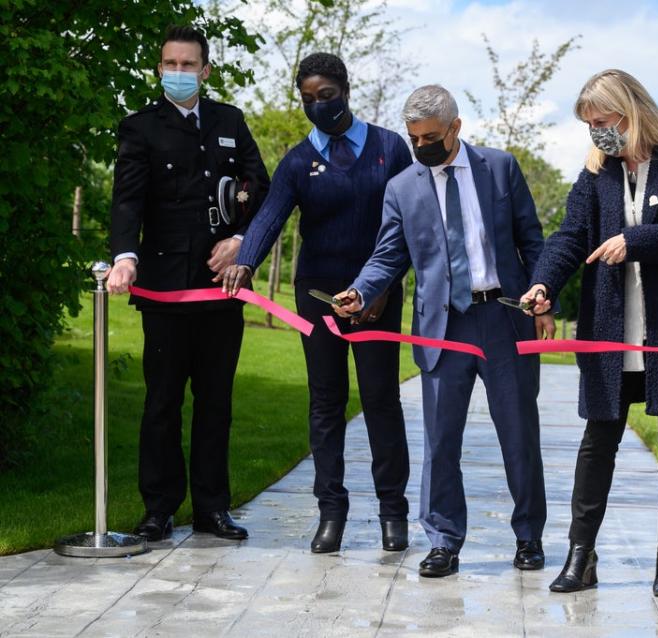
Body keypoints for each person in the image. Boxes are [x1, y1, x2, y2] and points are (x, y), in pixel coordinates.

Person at [520, 69, 658, 597]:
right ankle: (580, 557)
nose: (596, 132)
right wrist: (544, 283)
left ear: (630, 111)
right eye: (588, 125)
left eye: (601, 121)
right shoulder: (596, 173)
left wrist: (636, 241)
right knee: (598, 442)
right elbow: (569, 236)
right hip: (611, 332)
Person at [332, 85, 554, 578]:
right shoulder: (402, 187)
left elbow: (530, 238)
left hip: (502, 318)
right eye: (414, 137)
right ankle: (444, 542)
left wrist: (542, 295)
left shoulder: (500, 167)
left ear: (456, 128)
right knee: (440, 442)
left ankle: (529, 538)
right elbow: (388, 254)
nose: (421, 145)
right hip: (441, 327)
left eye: (431, 136)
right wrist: (362, 292)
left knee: (519, 435)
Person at [220, 52, 412, 554]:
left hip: (377, 295)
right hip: (318, 297)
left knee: (379, 400)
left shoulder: (390, 149)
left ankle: (394, 512)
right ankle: (331, 511)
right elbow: (268, 217)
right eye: (307, 99)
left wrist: (382, 287)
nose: (317, 106)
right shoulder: (298, 159)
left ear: (346, 89)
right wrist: (247, 260)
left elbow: (409, 227)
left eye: (325, 95)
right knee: (325, 404)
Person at [106, 25, 270, 541]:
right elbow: (127, 199)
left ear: (205, 70)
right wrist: (124, 256)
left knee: (216, 402)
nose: (178, 73)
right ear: (160, 69)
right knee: (162, 403)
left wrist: (243, 240)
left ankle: (211, 509)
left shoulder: (229, 121)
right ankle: (158, 509)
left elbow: (259, 186)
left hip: (221, 286)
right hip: (165, 286)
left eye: (187, 65)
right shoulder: (139, 128)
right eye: (169, 64)